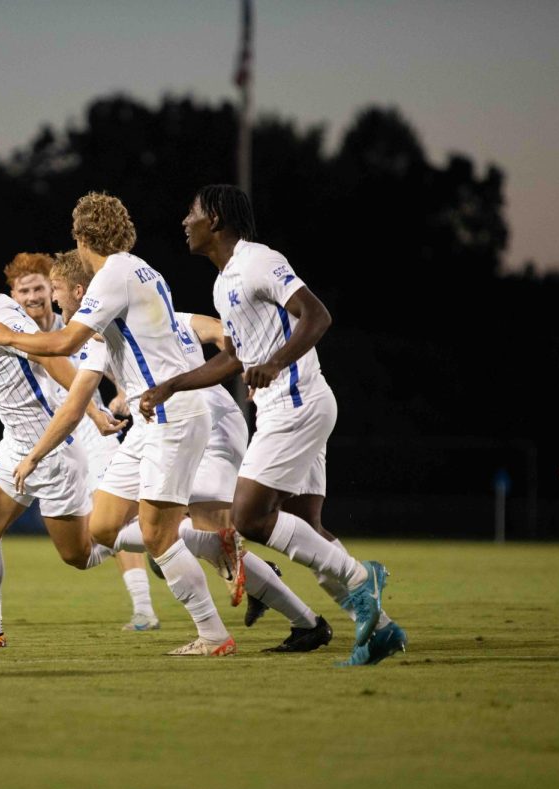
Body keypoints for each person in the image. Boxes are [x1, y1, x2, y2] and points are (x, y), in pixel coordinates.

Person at [140, 184, 405, 667]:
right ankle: (380, 630)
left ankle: (363, 579)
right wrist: (172, 385)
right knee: (306, 527)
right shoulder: (224, 283)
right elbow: (236, 360)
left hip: (297, 404)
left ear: (216, 219)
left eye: (193, 212)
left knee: (248, 517)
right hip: (289, 407)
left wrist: (279, 362)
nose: (185, 220)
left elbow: (317, 315)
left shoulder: (258, 260)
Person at [28, 250, 332, 653]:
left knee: (193, 535)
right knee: (172, 538)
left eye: (57, 292)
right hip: (166, 421)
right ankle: (301, 618)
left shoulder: (153, 319)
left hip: (200, 421)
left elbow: (225, 332)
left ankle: (335, 600)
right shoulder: (116, 328)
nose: (53, 302)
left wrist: (246, 362)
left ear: (85, 291)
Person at [0, 192, 237, 656]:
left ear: (82, 237)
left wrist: (9, 336)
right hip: (149, 417)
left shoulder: (112, 274)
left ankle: (214, 635)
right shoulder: (138, 268)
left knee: (157, 535)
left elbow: (65, 342)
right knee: (102, 527)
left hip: (170, 415)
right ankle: (208, 542)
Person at [0, 251, 160, 631]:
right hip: (19, 443)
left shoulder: (24, 319)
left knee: (80, 553)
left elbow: (51, 358)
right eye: (23, 289)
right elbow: (11, 344)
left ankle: (167, 537)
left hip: (60, 445)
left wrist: (97, 410)